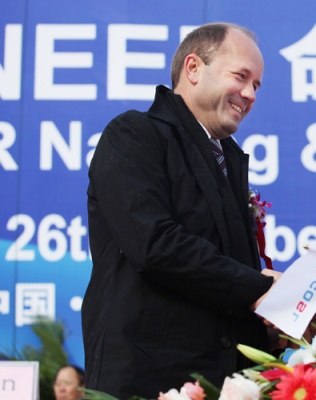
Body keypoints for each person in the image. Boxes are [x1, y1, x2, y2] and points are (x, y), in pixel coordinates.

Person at [82, 22, 280, 398]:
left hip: (224, 382)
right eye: (241, 77)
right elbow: (154, 243)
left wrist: (268, 322)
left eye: (257, 85)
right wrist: (258, 288)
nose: (250, 94)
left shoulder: (229, 160)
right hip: (150, 381)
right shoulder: (133, 134)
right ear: (193, 68)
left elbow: (225, 280)